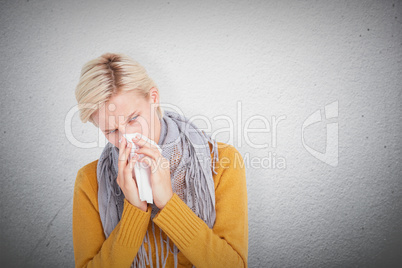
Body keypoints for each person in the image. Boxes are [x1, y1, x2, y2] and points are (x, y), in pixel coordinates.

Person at [72, 52, 248, 268]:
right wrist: (134, 211)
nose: (128, 136)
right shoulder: (90, 181)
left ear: (153, 98)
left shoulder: (221, 161)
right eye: (111, 131)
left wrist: (168, 203)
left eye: (133, 118)